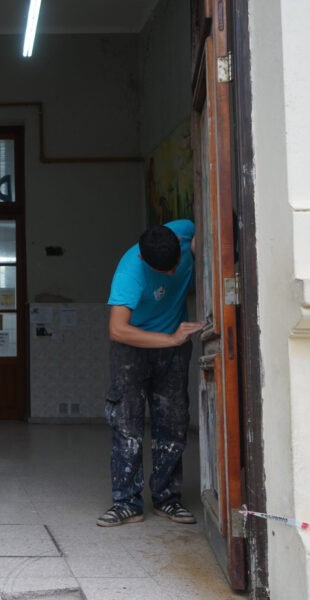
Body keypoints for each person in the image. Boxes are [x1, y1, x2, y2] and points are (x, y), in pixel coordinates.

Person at [97, 219, 202, 527]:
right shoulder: (129, 273)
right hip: (133, 348)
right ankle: (126, 502)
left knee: (173, 423)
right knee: (126, 424)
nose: (171, 273)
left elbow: (212, 232)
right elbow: (117, 330)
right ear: (143, 259)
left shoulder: (184, 230)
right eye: (163, 270)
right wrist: (171, 339)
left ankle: (167, 498)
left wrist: (202, 248)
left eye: (175, 266)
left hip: (174, 349)